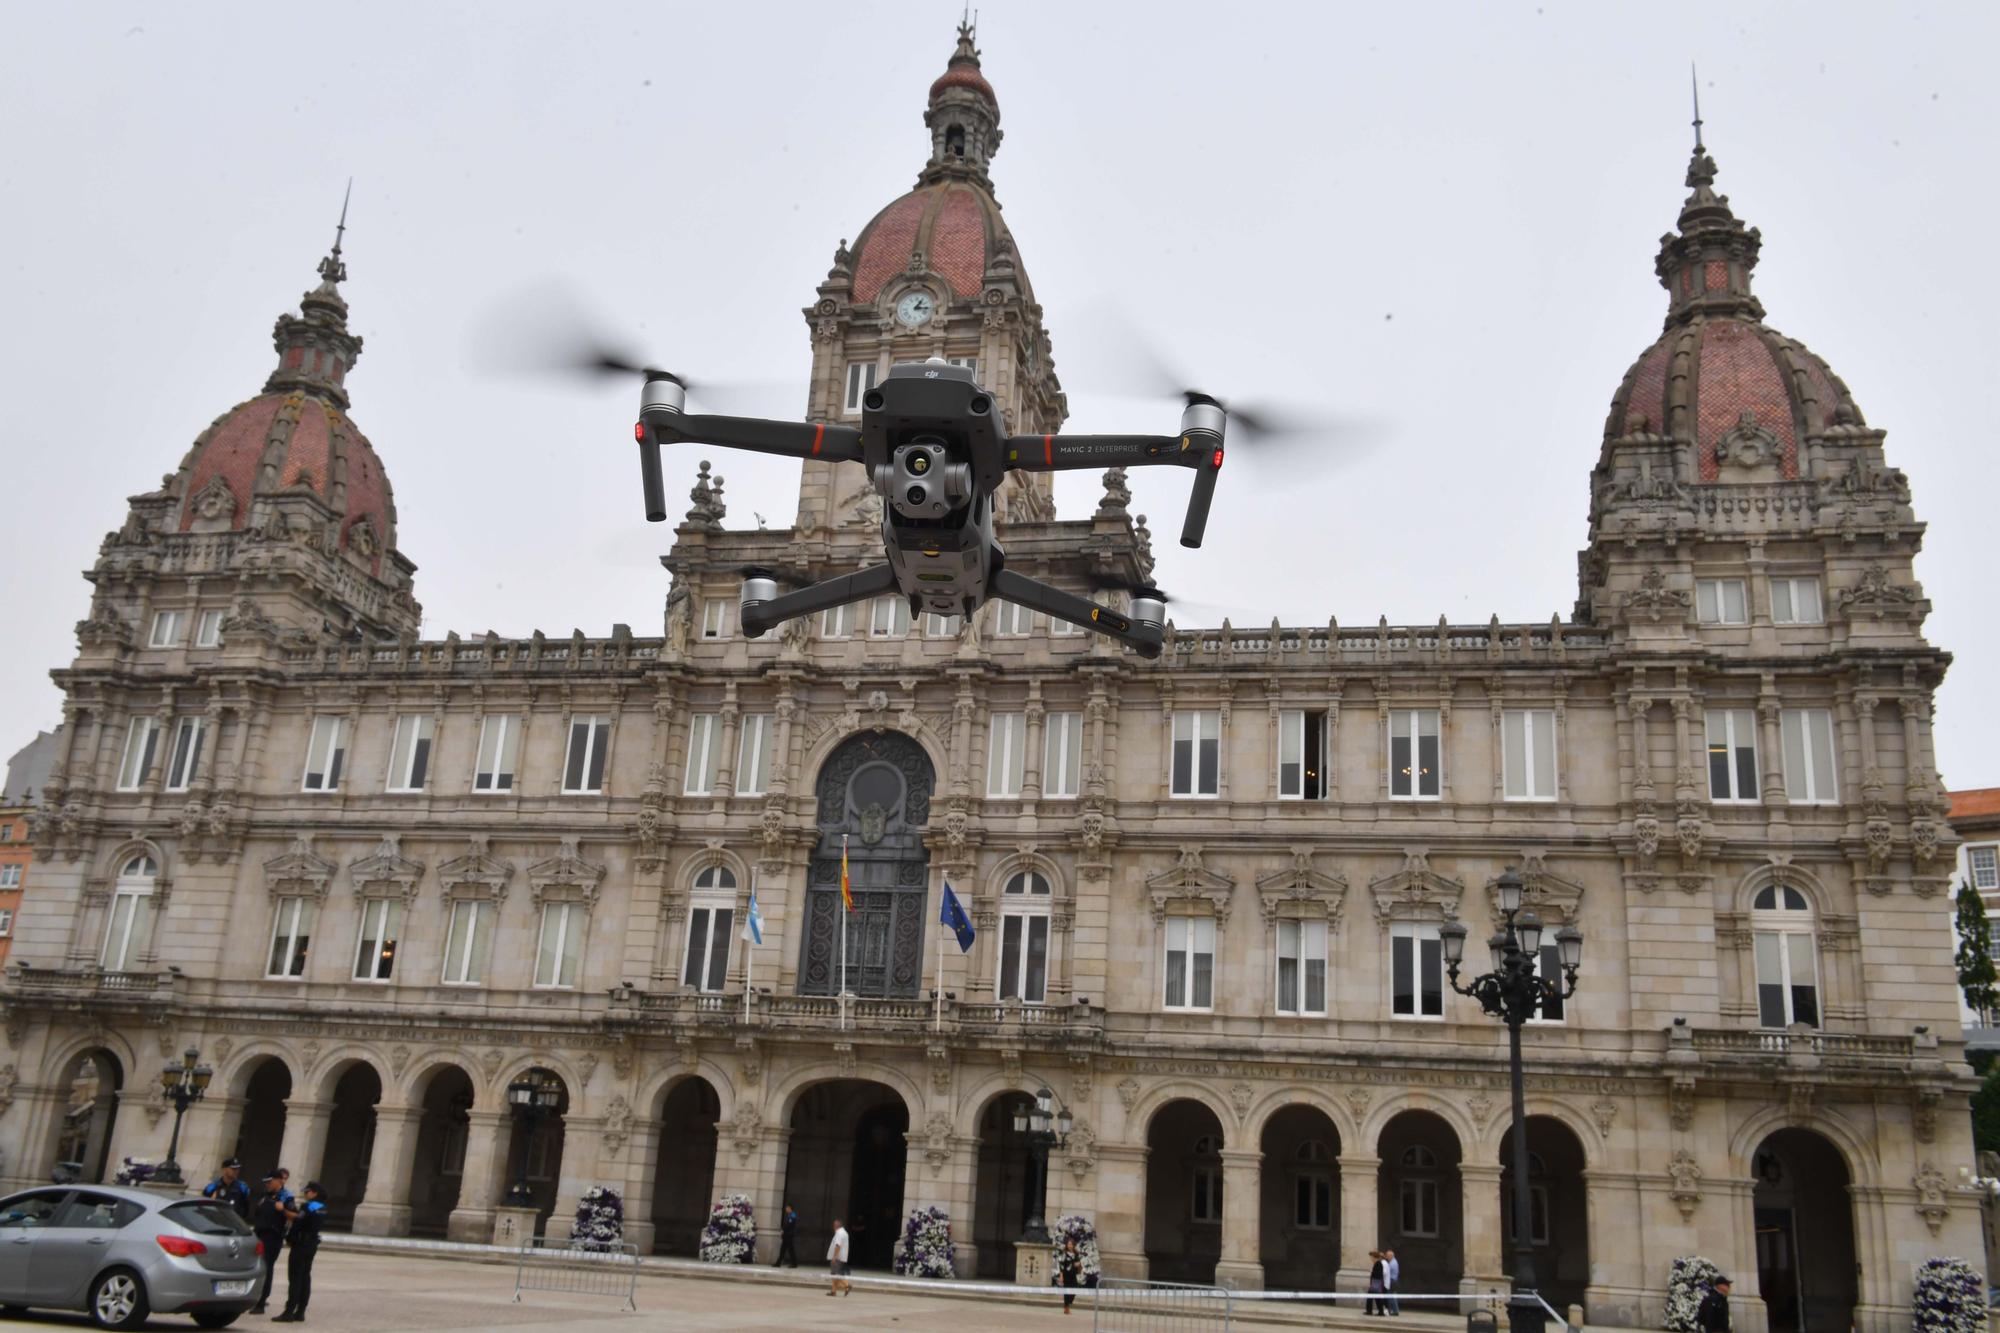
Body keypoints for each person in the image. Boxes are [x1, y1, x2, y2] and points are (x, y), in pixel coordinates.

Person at [272, 1182, 327, 1323]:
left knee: (295, 1278)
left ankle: (289, 1311)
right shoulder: (322, 1208)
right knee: (305, 1277)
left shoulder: (307, 1207)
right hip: (312, 1244)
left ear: (314, 1193)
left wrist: (289, 1238)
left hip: (301, 1244)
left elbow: (298, 1223)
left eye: (307, 1192)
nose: (305, 1194)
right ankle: (301, 1311)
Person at [251, 1170, 290, 1314]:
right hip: (259, 1235)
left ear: (278, 1181)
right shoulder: (265, 1197)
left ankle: (261, 1301)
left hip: (273, 1237)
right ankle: (254, 1297)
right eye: (266, 1182)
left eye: (269, 1182)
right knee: (257, 1267)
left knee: (266, 1268)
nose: (267, 1184)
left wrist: (283, 1210)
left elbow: (294, 1215)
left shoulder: (286, 1197)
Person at [201, 1156, 252, 1222]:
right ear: (224, 1169)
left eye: (237, 1169)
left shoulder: (242, 1187)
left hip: (235, 1224)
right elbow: (204, 1206)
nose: (236, 1171)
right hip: (217, 1223)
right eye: (233, 1169)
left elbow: (246, 1208)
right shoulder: (213, 1187)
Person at [1057, 1236, 1085, 1315]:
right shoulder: (1064, 1254)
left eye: (1071, 1244)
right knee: (1067, 1291)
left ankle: (1069, 1303)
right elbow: (1062, 1265)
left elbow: (1079, 1263)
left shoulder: (1076, 1254)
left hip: (1073, 1274)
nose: (1070, 1246)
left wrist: (1078, 1265)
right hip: (1066, 1274)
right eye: (1068, 1244)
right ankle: (1066, 1307)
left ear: (1073, 1245)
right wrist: (1061, 1276)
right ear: (1066, 1245)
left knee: (1074, 1289)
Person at [826, 1216, 851, 1297]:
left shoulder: (839, 1233)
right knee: (835, 1274)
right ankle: (833, 1291)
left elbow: (838, 1245)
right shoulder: (844, 1232)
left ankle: (846, 1285)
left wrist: (834, 1257)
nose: (833, 1226)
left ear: (836, 1225)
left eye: (834, 1225)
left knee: (836, 1274)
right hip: (841, 1257)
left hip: (838, 1258)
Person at [774, 1203, 799, 1268]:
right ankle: (778, 1263)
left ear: (790, 1208)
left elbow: (788, 1225)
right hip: (786, 1235)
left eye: (787, 1208)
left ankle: (794, 1263)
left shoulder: (792, 1216)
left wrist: (783, 1230)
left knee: (790, 1250)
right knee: (783, 1249)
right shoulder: (789, 1215)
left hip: (789, 1235)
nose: (786, 1209)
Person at [1365, 1250, 1386, 1316]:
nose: (1371, 1259)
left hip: (1376, 1283)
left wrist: (1373, 1283)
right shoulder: (1377, 1264)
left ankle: (1370, 1311)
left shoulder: (1378, 1264)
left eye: (1371, 1257)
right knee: (1376, 1297)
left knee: (1371, 1297)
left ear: (1374, 1257)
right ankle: (1380, 1311)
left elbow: (1378, 1275)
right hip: (1375, 1282)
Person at [1383, 1248, 1401, 1316]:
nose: (1386, 1257)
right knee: (1392, 1296)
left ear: (1391, 1256)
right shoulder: (1393, 1262)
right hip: (1393, 1280)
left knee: (1391, 1296)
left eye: (1387, 1255)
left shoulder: (1392, 1263)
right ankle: (1392, 1310)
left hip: (1392, 1281)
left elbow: (1387, 1272)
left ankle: (1395, 1311)